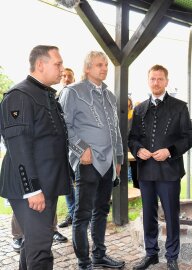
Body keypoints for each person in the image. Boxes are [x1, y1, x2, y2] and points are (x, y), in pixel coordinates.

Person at [0, 45, 71, 269]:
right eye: (57, 64)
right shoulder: (20, 95)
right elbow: (18, 146)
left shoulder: (44, 94)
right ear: (40, 65)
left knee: (35, 243)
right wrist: (32, 189)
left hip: (45, 184)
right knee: (41, 249)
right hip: (31, 188)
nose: (61, 69)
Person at [59, 51, 125, 270]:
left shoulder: (109, 95)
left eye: (106, 64)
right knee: (82, 214)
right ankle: (84, 261)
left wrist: (118, 158)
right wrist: (80, 149)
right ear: (87, 68)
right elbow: (63, 126)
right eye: (99, 65)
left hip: (108, 164)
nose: (104, 68)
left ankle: (99, 255)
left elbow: (115, 129)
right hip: (87, 162)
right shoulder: (73, 92)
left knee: (102, 210)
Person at [129, 64, 192, 270]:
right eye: (152, 79)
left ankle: (172, 256)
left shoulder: (179, 106)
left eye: (160, 79)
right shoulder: (139, 109)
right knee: (149, 214)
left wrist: (170, 151)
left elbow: (188, 138)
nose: (156, 82)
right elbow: (132, 138)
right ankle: (151, 254)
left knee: (171, 214)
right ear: (148, 81)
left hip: (169, 171)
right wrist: (138, 150)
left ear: (166, 81)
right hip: (146, 171)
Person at [58, 67, 76, 228]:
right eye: (63, 76)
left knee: (80, 183)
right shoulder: (55, 97)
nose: (66, 78)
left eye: (69, 76)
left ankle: (83, 216)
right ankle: (72, 214)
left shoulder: (77, 96)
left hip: (76, 149)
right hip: (60, 150)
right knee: (67, 184)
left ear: (74, 79)